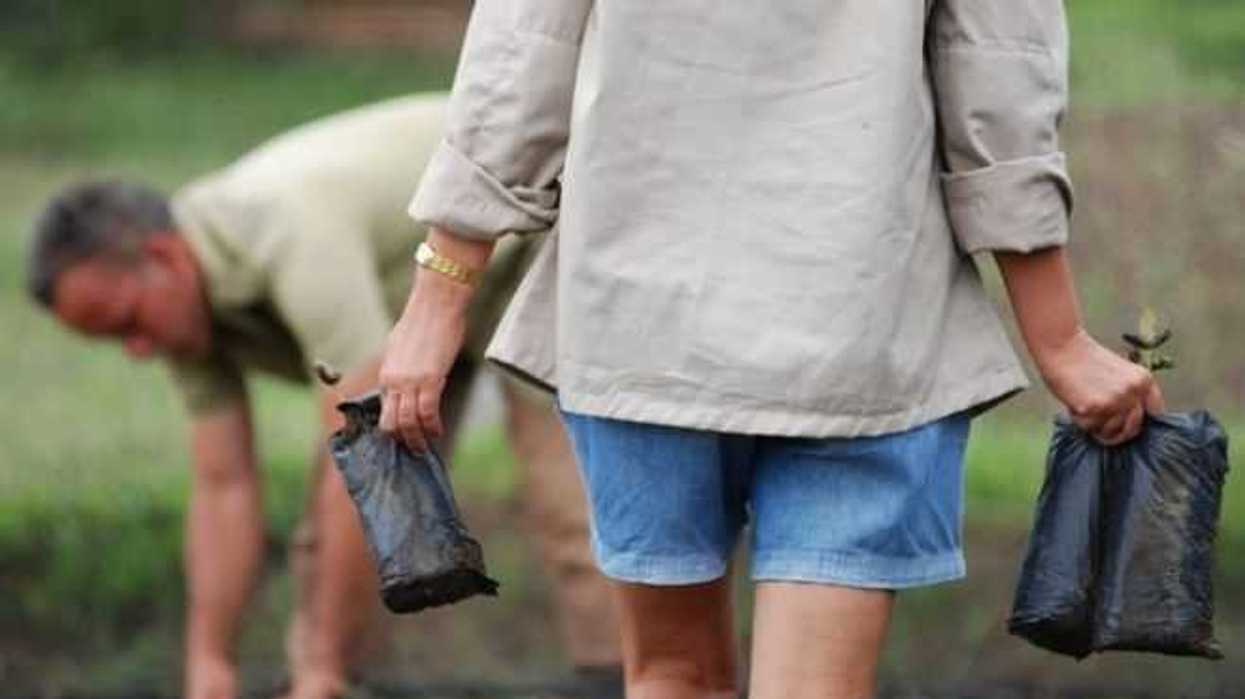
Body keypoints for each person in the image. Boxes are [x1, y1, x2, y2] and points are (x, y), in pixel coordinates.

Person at [380, 2, 1166, 698]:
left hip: (640, 322)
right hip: (860, 326)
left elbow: (521, 50)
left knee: (671, 676)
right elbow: (998, 81)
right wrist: (1057, 339)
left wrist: (439, 298)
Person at [26, 94, 621, 699]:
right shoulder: (179, 308)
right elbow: (223, 485)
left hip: (529, 225)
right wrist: (209, 666)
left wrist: (322, 664)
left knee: (572, 492)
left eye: (128, 322)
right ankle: (346, 680)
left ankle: (632, 675)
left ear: (163, 257)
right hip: (415, 304)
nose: (136, 350)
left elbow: (368, 460)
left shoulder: (286, 231)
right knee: (348, 529)